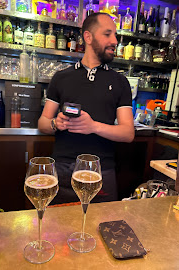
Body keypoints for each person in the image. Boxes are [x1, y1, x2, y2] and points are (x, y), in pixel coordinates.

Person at [38, 12, 135, 204]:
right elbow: (42, 123)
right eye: (107, 34)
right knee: (58, 229)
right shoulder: (61, 77)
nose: (115, 41)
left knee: (103, 229)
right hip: (62, 168)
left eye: (115, 35)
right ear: (88, 37)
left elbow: (128, 133)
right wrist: (55, 123)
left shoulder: (120, 82)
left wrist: (93, 126)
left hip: (100, 171)